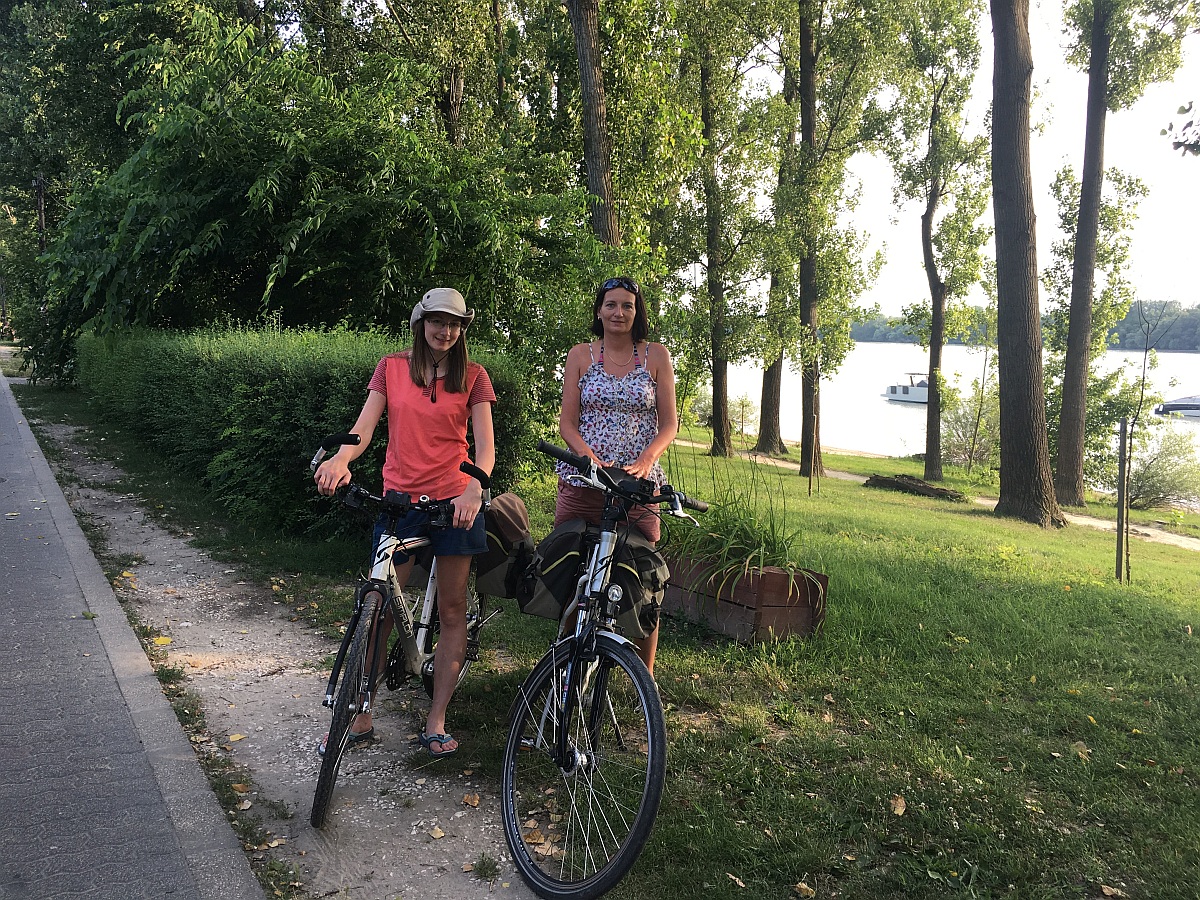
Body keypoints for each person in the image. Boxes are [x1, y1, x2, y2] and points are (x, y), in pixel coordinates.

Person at [314, 287, 495, 758]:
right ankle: (362, 705)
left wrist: (476, 487)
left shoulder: (474, 377)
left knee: (453, 609)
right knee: (379, 607)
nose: (445, 331)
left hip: (455, 502)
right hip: (400, 502)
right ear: (420, 322)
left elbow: (485, 446)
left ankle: (435, 719)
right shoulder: (391, 368)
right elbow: (364, 427)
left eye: (454, 323)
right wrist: (341, 459)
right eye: (437, 321)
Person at [554, 276, 678, 675]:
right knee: (573, 575)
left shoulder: (655, 356)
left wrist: (646, 460)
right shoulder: (579, 355)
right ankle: (566, 664)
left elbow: (669, 425)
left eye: (627, 305)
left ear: (637, 312)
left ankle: (645, 675)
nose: (619, 312)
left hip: (638, 488)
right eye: (611, 305)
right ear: (598, 310)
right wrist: (587, 458)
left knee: (645, 579)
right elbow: (568, 424)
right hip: (585, 482)